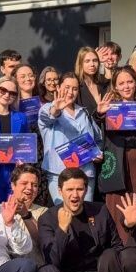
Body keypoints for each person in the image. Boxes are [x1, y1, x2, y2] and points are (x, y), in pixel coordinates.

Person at [37, 168, 122, 272]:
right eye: (69, 189)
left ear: (86, 190)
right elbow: (52, 260)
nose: (75, 195)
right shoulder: (48, 218)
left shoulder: (100, 211)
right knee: (46, 270)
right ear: (60, 191)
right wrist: (62, 229)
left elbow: (117, 246)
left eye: (79, 189)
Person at [96, 66, 136, 235]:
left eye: (130, 82)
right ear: (115, 87)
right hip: (116, 167)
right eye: (122, 83)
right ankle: (119, 244)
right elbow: (95, 131)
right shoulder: (109, 107)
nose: (126, 86)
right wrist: (99, 114)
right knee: (117, 208)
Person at [38, 72, 102, 205]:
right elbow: (47, 118)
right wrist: (56, 110)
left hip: (85, 174)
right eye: (67, 87)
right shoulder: (47, 108)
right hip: (59, 174)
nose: (70, 92)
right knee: (63, 213)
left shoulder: (84, 112)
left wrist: (97, 153)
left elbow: (98, 139)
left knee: (84, 214)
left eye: (75, 89)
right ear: (58, 88)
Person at [74, 46, 108, 117]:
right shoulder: (76, 85)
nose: (92, 64)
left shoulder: (103, 84)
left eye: (95, 60)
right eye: (87, 61)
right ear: (80, 64)